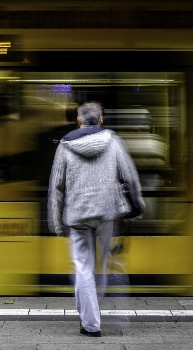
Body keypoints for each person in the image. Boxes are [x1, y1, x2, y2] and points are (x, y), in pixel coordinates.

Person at [48, 101, 143, 337]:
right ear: (101, 120)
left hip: (78, 216)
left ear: (79, 121)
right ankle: (107, 313)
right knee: (104, 266)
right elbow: (129, 177)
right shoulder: (113, 142)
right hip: (107, 213)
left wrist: (58, 223)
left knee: (83, 269)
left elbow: (57, 187)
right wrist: (137, 208)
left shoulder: (65, 145)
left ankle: (91, 324)